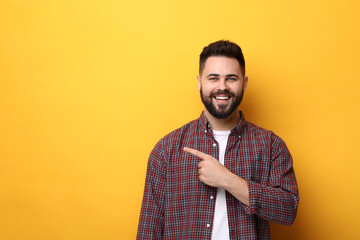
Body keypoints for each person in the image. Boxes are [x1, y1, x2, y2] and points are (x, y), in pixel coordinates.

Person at [137, 40, 299, 240]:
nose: (222, 87)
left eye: (231, 78)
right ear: (199, 82)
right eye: (213, 78)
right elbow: (149, 230)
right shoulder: (167, 149)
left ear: (244, 83)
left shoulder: (270, 145)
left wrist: (228, 180)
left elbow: (288, 209)